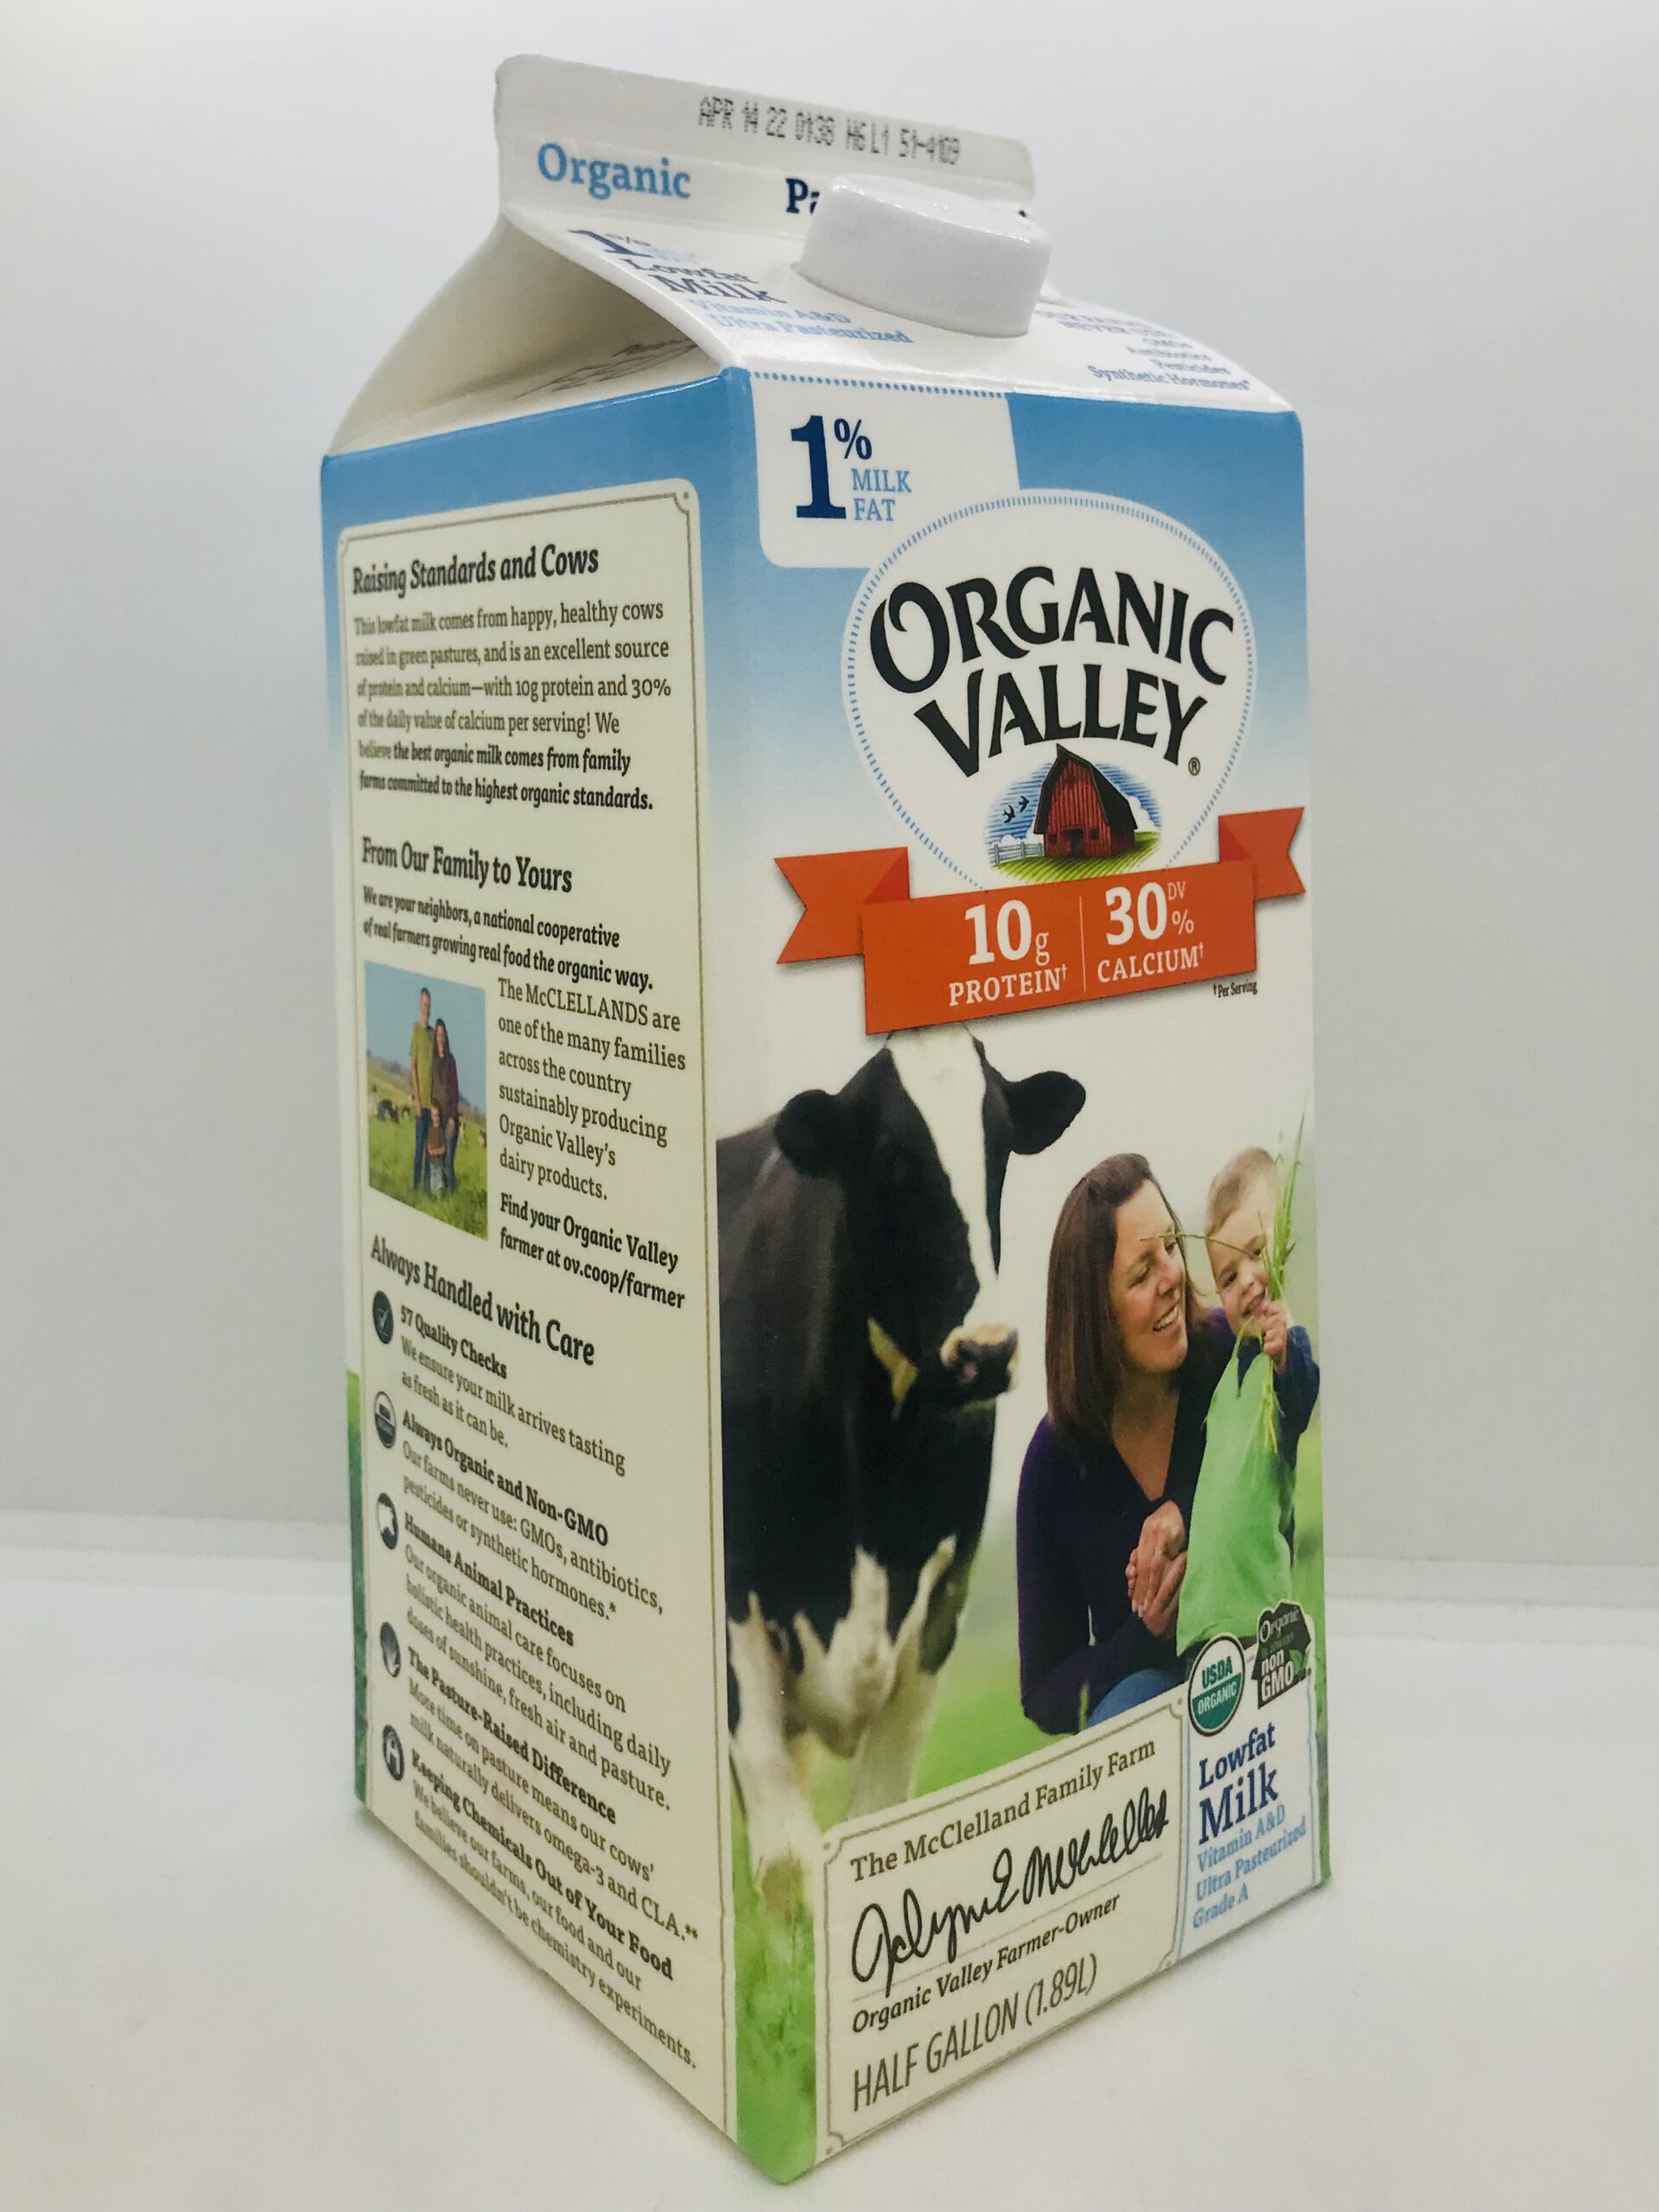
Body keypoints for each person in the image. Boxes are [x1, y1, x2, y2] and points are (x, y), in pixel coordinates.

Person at [1017, 1154, 1230, 1731]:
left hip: (1253, 1645)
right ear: (1095, 1318)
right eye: (1141, 1275)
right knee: (1132, 1698)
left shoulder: (1225, 1356)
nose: (1172, 1277)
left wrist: (1185, 1511)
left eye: (1172, 1246)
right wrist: (1143, 1637)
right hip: (1148, 1709)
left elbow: (1280, 1464)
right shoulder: (1054, 1463)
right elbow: (1044, 1689)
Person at [1175, 1147, 1319, 1658]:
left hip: (1260, 1620)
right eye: (1228, 1277)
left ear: (1283, 1242)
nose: (1248, 1281)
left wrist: (1284, 1353)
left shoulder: (1285, 1353)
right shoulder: (1225, 1382)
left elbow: (1301, 1395)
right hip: (1203, 1623)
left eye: (1257, 1253)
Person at [430, 1018, 461, 1192]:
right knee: (439, 1159)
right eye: (438, 1035)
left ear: (446, 1037)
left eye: (443, 1035)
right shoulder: (434, 1061)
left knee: (449, 1160)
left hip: (449, 1119)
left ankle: (452, 1193)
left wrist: (452, 1117)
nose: (440, 1039)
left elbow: (455, 1090)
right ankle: (440, 1194)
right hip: (437, 1119)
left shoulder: (451, 1060)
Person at [409, 987, 435, 1192]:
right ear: (420, 1005)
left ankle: (427, 1187)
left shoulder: (433, 1034)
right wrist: (417, 1100)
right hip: (421, 1104)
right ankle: (415, 1186)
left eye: (429, 1006)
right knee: (419, 1148)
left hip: (432, 1104)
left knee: (429, 1149)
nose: (427, 1009)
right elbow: (413, 1066)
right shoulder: (416, 1030)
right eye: (424, 1005)